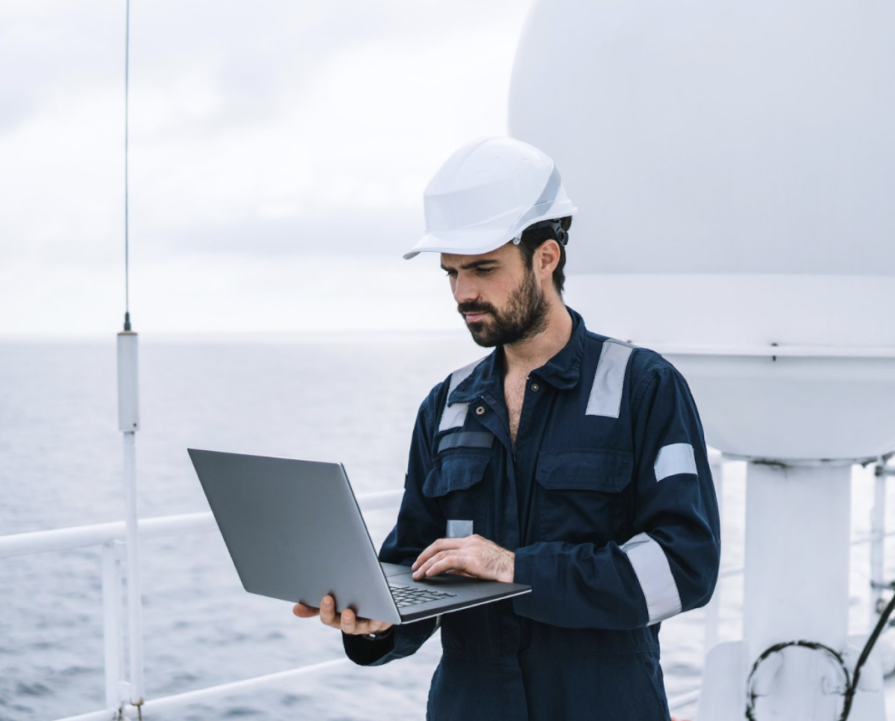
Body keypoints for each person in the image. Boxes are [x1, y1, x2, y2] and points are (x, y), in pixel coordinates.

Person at [293, 137, 721, 720]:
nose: (464, 293)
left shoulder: (644, 387)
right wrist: (373, 621)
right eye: (451, 273)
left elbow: (684, 568)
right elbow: (415, 563)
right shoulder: (444, 405)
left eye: (483, 269)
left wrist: (517, 568)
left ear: (546, 258)